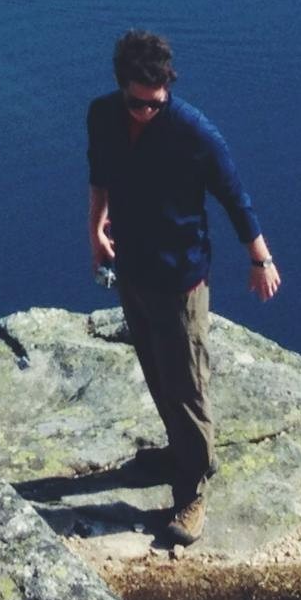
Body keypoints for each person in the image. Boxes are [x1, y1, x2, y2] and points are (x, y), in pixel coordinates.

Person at [85, 28, 277, 544]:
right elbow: (99, 173)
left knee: (187, 385)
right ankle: (178, 453)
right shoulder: (102, 116)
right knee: (155, 371)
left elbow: (236, 197)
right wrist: (96, 227)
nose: (146, 111)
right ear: (121, 85)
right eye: (137, 102)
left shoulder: (195, 134)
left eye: (156, 103)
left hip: (180, 279)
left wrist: (260, 258)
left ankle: (191, 492)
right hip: (133, 269)